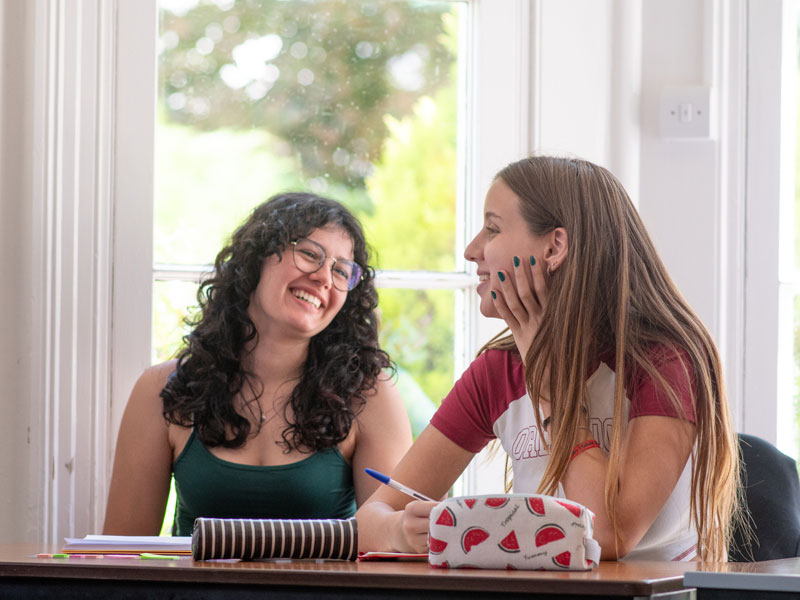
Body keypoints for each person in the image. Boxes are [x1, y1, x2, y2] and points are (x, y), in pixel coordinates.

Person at [356, 155, 742, 562]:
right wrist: (400, 530)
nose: (472, 251)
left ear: (555, 246)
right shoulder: (497, 371)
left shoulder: (665, 362)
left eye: (492, 229)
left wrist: (550, 385)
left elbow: (608, 537)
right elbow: (369, 519)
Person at [103, 193, 412, 536]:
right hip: (191, 593)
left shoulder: (369, 395)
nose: (325, 277)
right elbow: (121, 554)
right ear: (256, 258)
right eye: (310, 254)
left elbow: (391, 553)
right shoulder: (160, 389)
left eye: (341, 271)